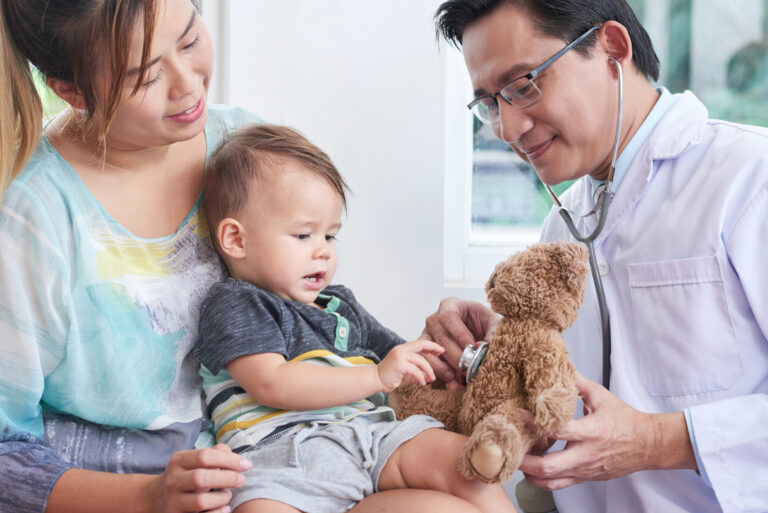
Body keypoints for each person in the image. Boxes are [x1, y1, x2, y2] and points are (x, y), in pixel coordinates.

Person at [0, 1, 491, 512]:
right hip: (167, 497)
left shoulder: (243, 149)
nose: (189, 85)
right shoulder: (32, 218)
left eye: (190, 41)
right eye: (147, 77)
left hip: (316, 453)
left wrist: (433, 353)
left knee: (469, 491)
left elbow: (313, 319)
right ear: (70, 90)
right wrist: (149, 496)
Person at [422, 1, 768, 513]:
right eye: (492, 104)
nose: (507, 128)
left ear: (612, 47)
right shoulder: (561, 224)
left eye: (522, 85)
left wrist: (655, 441)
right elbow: (562, 394)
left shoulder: (750, 179)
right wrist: (486, 352)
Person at [194, 123, 518, 513]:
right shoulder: (234, 302)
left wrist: (445, 364)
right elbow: (271, 382)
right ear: (236, 240)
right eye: (303, 236)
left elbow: (400, 358)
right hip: (281, 465)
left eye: (330, 236)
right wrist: (376, 377)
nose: (323, 252)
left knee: (462, 465)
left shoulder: (340, 306)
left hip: (373, 440)